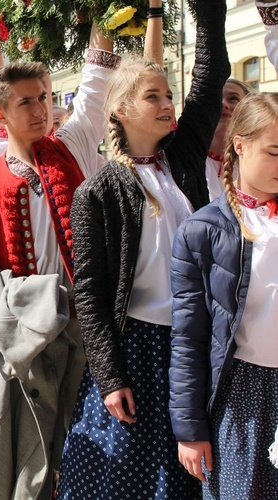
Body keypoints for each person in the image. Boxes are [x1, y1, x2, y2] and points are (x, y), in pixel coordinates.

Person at [57, 0, 230, 497]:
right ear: (120, 110)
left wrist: (206, 10)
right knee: (129, 476)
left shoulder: (185, 156)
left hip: (197, 339)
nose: (167, 103)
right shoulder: (98, 193)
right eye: (153, 96)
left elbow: (211, 71)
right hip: (139, 347)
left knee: (195, 470)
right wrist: (109, 377)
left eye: (168, 94)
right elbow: (89, 293)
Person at [0, 21, 119, 499]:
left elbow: (95, 85)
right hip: (20, 337)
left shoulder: (73, 148)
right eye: (26, 101)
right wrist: (34, 301)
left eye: (44, 97)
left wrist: (99, 19)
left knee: (84, 447)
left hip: (86, 328)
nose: (41, 108)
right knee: (29, 455)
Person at [170, 92, 278, 499]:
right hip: (241, 398)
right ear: (240, 144)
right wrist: (190, 429)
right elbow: (189, 338)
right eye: (273, 151)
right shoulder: (203, 230)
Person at [205, 79, 251, 200]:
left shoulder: (253, 162)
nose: (223, 104)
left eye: (233, 99)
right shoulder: (190, 160)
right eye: (215, 98)